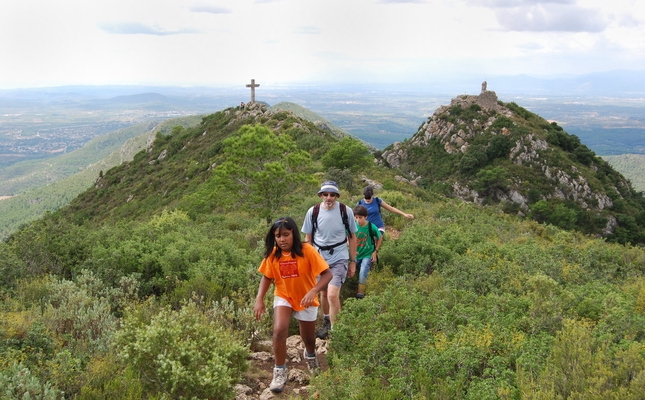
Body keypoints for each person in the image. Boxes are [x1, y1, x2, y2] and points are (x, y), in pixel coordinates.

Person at [254, 217, 333, 393]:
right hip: (284, 296)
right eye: (278, 236)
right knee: (279, 330)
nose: (282, 239)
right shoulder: (274, 254)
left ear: (293, 234)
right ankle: (279, 371)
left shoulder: (307, 250)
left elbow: (327, 275)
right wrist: (259, 298)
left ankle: (311, 356)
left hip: (306, 299)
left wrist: (313, 291)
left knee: (309, 338)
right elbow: (267, 276)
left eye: (286, 235)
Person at [302, 180, 358, 339]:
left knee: (333, 294)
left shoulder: (345, 211)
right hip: (319, 258)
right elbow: (308, 239)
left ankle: (336, 330)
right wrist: (309, 260)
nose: (329, 198)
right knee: (324, 294)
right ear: (320, 195)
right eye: (325, 194)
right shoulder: (312, 212)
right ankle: (327, 320)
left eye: (332, 194)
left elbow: (352, 237)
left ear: (337, 196)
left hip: (339, 256)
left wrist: (353, 261)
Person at [353, 205, 382, 299]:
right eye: (356, 217)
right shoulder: (352, 226)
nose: (358, 220)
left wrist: (375, 251)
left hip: (367, 254)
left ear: (365, 217)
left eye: (360, 217)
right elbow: (347, 237)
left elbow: (380, 237)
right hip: (355, 255)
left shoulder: (370, 226)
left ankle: (360, 294)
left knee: (363, 272)